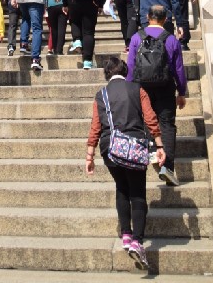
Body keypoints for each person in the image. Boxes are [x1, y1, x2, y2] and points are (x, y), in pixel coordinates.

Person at [85, 55, 165, 272]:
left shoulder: (101, 95)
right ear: (125, 71)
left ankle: (126, 235)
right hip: (134, 146)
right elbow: (150, 118)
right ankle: (137, 241)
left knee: (121, 188)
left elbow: (95, 126)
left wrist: (90, 155)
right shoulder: (138, 90)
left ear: (107, 74)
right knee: (137, 193)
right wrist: (159, 145)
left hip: (110, 148)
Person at [127, 4, 188, 188]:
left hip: (142, 88)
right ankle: (167, 168)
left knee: (147, 122)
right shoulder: (171, 40)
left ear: (148, 17)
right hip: (165, 87)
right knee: (167, 125)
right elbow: (178, 69)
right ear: (165, 19)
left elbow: (131, 66)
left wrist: (130, 89)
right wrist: (181, 92)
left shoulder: (136, 37)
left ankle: (152, 154)